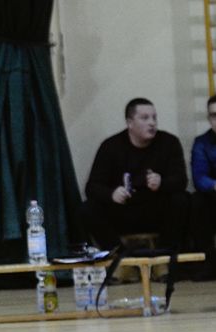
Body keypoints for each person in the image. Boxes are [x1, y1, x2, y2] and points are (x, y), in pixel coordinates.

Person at [81, 97, 189, 282]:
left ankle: (161, 261)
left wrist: (162, 182)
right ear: (130, 123)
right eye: (145, 118)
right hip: (124, 211)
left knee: (183, 199)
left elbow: (181, 180)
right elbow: (92, 186)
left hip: (156, 211)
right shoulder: (111, 146)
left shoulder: (169, 143)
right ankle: (123, 259)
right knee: (87, 208)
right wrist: (111, 194)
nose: (152, 123)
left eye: (154, 117)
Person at [189, 96, 216, 279]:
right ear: (209, 118)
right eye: (214, 115)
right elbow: (199, 178)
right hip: (214, 196)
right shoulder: (202, 142)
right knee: (196, 201)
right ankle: (209, 262)